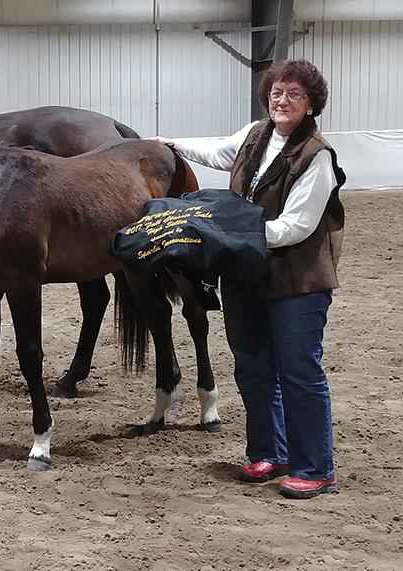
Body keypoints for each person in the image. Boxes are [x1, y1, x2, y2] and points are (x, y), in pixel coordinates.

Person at [154, 59, 346, 499]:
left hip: (296, 279)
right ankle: (269, 451)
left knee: (299, 372)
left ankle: (317, 468)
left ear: (312, 103)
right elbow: (221, 152)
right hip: (246, 274)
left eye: (294, 94)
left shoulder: (317, 157)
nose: (282, 100)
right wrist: (169, 144)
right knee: (253, 368)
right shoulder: (255, 134)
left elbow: (294, 228)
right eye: (277, 92)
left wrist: (222, 233)